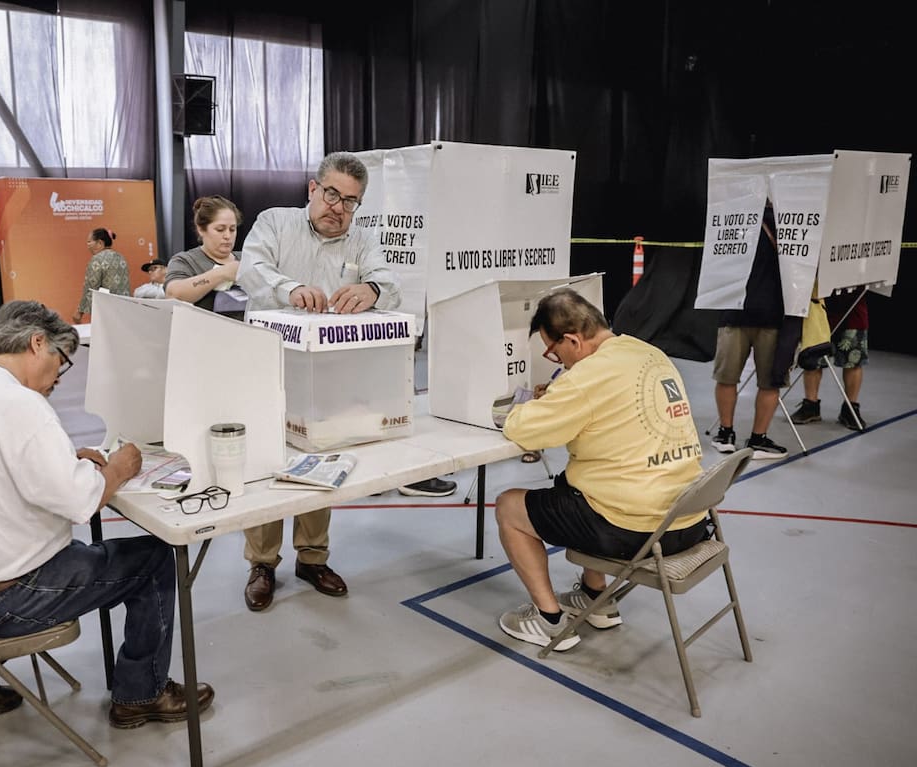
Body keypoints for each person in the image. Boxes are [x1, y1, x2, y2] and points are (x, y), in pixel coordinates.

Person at [0, 300, 215, 725]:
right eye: (61, 360)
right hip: (2, 599)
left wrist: (68, 462)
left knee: (108, 552)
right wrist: (118, 469)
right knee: (153, 559)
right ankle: (140, 693)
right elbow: (80, 503)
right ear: (38, 343)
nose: (58, 377)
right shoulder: (21, 404)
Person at [235, 150, 451, 612]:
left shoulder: (361, 241)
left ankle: (312, 558)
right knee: (270, 461)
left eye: (351, 201)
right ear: (313, 189)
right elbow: (250, 270)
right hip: (265, 363)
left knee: (320, 456)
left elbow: (391, 284)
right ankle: (262, 563)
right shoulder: (274, 222)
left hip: (327, 373)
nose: (339, 207)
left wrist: (372, 291)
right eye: (332, 194)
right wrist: (289, 290)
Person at [494, 289, 709, 650]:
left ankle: (549, 622)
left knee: (509, 506)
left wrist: (531, 403)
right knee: (580, 481)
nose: (556, 360)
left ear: (573, 340)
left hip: (637, 531)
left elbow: (522, 430)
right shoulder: (648, 352)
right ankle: (597, 597)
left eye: (553, 351)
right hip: (688, 518)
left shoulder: (588, 376)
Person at [710, 201, 788, 459]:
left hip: (734, 310)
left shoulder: (730, 216)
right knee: (769, 381)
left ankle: (726, 432)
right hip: (773, 312)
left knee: (727, 376)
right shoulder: (792, 221)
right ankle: (757, 439)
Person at [790, 290, 869, 429]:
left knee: (853, 361)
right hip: (820, 306)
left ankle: (850, 409)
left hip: (853, 307)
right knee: (813, 359)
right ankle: (811, 405)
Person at [164, 196, 245, 317]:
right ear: (201, 229)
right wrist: (222, 273)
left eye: (232, 229)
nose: (228, 236)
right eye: (220, 229)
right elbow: (174, 294)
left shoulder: (248, 259)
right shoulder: (186, 261)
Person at [72, 227, 131, 323]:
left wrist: (79, 312)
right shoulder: (121, 257)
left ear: (100, 243)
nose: (88, 245)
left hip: (105, 311)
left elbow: (91, 287)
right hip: (124, 309)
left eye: (89, 242)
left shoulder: (97, 259)